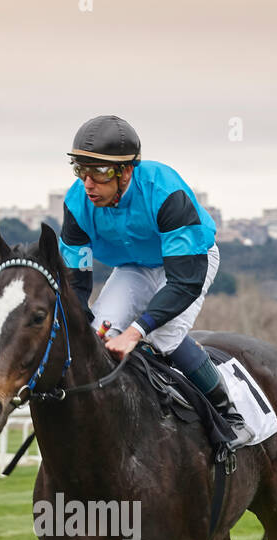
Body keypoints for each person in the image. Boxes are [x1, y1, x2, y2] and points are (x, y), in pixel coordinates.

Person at [58, 114, 242, 425]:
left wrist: (135, 331)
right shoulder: (77, 203)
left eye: (99, 172)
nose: (88, 184)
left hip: (189, 263)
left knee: (163, 338)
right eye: (81, 170)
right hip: (134, 267)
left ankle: (228, 413)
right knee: (96, 335)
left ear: (126, 170)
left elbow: (184, 282)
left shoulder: (166, 191)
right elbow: (76, 284)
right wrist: (82, 325)